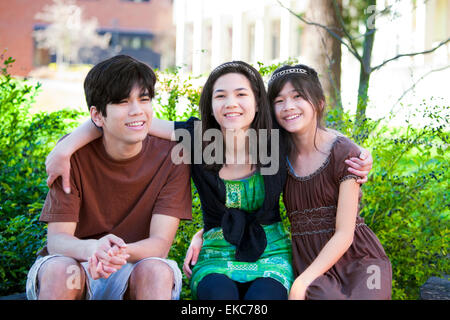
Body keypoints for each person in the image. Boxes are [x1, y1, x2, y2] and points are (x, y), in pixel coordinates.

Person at [44, 61, 372, 300]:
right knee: (217, 298)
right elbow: (131, 120)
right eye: (220, 96)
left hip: (270, 252)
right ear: (210, 105)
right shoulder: (196, 140)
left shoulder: (276, 140)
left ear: (257, 101)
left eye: (242, 94)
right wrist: (65, 147)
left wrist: (357, 153)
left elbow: (319, 138)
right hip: (216, 252)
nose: (231, 103)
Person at [26, 55, 192, 300]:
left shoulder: (174, 156)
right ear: (97, 116)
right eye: (123, 102)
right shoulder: (72, 155)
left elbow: (159, 244)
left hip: (136, 264)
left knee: (156, 271)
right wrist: (94, 249)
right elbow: (57, 241)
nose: (137, 110)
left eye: (144, 99)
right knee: (61, 270)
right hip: (80, 262)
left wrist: (114, 253)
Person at [266, 64, 392, 300]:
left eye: (298, 96)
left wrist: (302, 281)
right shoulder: (276, 155)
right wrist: (207, 231)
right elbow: (246, 198)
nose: (288, 107)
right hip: (309, 259)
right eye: (279, 100)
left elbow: (345, 233)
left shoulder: (344, 152)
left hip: (359, 259)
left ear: (320, 103)